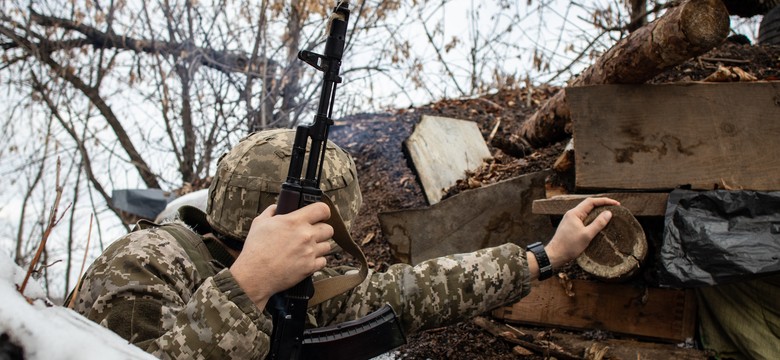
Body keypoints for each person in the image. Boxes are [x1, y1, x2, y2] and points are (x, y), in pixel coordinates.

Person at [70, 129, 618, 359]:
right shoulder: (140, 269)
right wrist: (249, 284)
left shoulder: (295, 282)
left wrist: (547, 256)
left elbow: (411, 293)